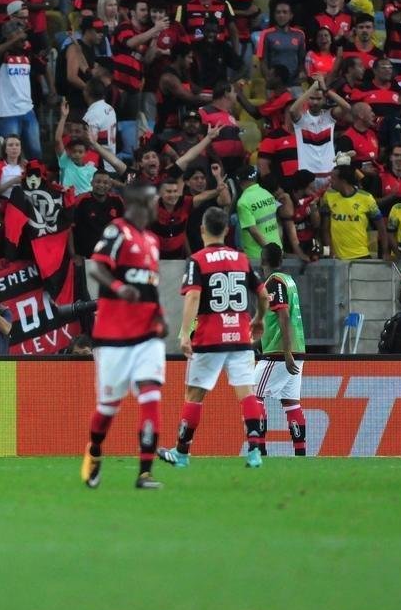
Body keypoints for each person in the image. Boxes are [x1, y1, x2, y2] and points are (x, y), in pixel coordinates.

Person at [158, 207, 269, 470]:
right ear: (227, 230)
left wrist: (185, 332)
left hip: (209, 338)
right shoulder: (242, 259)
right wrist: (259, 319)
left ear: (202, 230)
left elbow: (194, 296)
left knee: (194, 395)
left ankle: (182, 453)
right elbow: (263, 295)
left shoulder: (198, 260)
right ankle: (254, 451)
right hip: (241, 337)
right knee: (247, 394)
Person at [83, 183, 167, 490]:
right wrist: (119, 289)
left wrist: (160, 314)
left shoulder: (152, 240)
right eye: (155, 198)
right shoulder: (117, 231)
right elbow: (96, 268)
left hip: (147, 336)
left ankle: (145, 472)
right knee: (107, 409)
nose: (159, 203)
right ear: (141, 202)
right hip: (113, 337)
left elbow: (150, 284)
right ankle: (94, 452)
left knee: (151, 396)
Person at [253, 243, 307, 457]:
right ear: (281, 260)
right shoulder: (289, 280)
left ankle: (260, 449)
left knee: (253, 395)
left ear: (262, 261)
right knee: (291, 402)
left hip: (279, 354)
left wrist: (286, 353)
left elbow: (283, 316)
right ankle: (300, 454)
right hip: (297, 350)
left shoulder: (274, 282)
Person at [320, 165, 387, 261]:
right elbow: (325, 229)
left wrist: (385, 253)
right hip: (337, 259)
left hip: (361, 256)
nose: (330, 181)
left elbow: (381, 228)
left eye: (333, 178)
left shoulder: (366, 198)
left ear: (343, 181)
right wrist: (329, 252)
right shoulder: (328, 195)